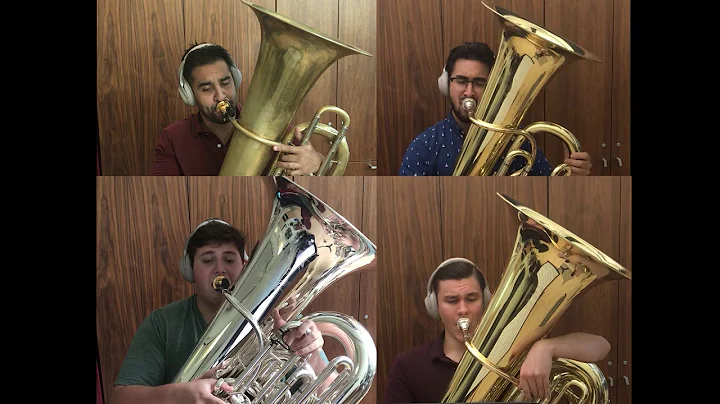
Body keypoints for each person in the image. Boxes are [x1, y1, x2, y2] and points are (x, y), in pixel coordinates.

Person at [112, 219, 333, 404]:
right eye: (208, 260)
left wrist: (311, 355)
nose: (220, 268)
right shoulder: (162, 322)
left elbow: (328, 393)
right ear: (191, 272)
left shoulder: (278, 318)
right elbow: (121, 398)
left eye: (229, 259)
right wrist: (178, 394)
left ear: (245, 267)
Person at [383, 258, 611, 404]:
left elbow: (601, 346)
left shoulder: (519, 353)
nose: (463, 310)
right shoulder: (408, 365)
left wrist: (547, 347)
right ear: (434, 307)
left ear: (485, 300)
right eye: (452, 300)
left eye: (471, 299)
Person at [398, 41, 593, 176]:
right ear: (445, 85)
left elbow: (548, 192)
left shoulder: (518, 143)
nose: (469, 92)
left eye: (480, 82)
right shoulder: (424, 146)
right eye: (461, 81)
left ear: (493, 88)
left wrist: (573, 176)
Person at [152, 42, 323, 176]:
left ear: (236, 80)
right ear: (189, 95)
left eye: (225, 83)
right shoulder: (172, 138)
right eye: (206, 88)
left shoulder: (275, 130)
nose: (220, 96)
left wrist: (318, 161)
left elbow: (313, 166)